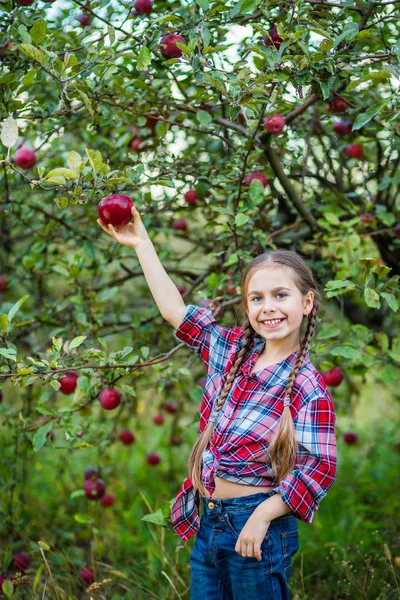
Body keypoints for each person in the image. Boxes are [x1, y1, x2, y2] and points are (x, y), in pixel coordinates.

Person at [97, 205, 337, 600]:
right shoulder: (229, 351)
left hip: (257, 527)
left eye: (281, 295)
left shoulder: (308, 387)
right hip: (209, 518)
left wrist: (262, 516)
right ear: (246, 308)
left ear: (306, 303)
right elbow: (175, 312)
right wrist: (142, 244)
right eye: (256, 298)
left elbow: (318, 469)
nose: (269, 307)